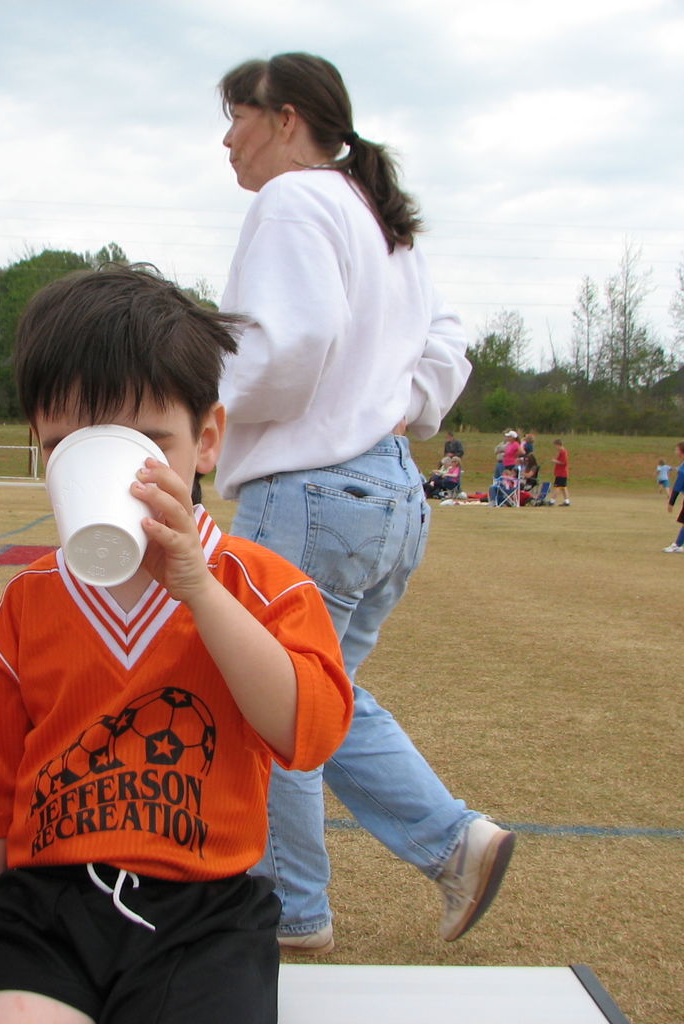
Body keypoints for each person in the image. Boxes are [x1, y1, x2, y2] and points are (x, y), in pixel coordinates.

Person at [0, 266, 354, 1023]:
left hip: (206, 912)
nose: (110, 467)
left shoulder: (262, 587)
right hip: (44, 907)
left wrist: (198, 589)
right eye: (68, 444)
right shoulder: (27, 604)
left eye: (145, 440)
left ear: (205, 441)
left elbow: (306, 734)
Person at [215, 51, 513, 951]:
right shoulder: (385, 224)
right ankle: (455, 843)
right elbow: (449, 345)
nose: (227, 139)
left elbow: (287, 340)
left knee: (278, 705)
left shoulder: (294, 200)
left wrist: (207, 413)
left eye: (238, 116)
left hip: (307, 486)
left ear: (288, 118)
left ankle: (290, 915)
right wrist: (397, 408)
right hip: (388, 489)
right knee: (320, 694)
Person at [551, 438, 570, 505]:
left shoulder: (563, 452)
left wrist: (555, 461)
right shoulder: (562, 452)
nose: (555, 448)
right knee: (563, 487)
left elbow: (564, 462)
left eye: (555, 446)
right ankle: (567, 501)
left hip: (561, 473)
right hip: (561, 473)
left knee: (557, 487)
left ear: (558, 445)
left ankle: (552, 501)